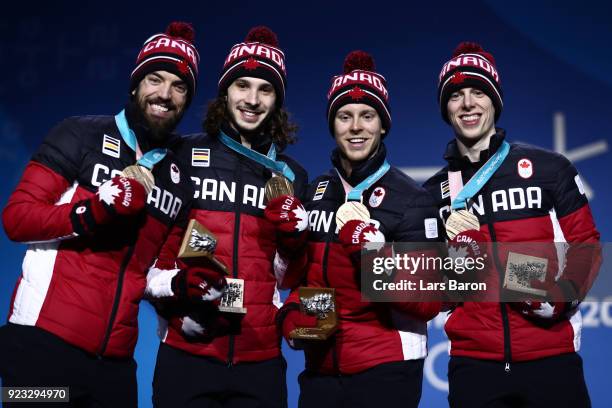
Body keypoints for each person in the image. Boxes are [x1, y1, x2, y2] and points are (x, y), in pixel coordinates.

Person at [0, 22, 200, 406]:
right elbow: (17, 218)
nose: (165, 94)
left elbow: (156, 269)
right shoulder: (79, 133)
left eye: (179, 87)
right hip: (41, 349)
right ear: (135, 84)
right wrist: (95, 209)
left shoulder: (178, 177)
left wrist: (181, 285)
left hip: (116, 366)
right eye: (155, 79)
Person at [424, 42, 601, 408]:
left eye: (478, 92)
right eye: (455, 95)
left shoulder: (550, 169)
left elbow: (587, 243)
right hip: (474, 365)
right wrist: (461, 261)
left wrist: (561, 290)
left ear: (494, 101)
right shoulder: (431, 195)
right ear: (446, 109)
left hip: (552, 358)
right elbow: (435, 295)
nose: (468, 103)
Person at [144, 26, 308, 408]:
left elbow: (286, 276)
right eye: (242, 86)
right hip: (188, 354)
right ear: (225, 92)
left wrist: (294, 240)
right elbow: (149, 261)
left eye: (265, 89)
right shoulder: (181, 155)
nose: (252, 100)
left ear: (277, 100)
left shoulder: (291, 175)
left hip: (261, 362)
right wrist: (173, 308)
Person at [277, 51, 442, 408]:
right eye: (344, 116)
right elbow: (311, 280)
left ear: (383, 125)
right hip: (321, 369)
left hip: (385, 371)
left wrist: (372, 257)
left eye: (367, 116)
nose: (355, 127)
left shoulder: (412, 198)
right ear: (332, 125)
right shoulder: (317, 191)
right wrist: (292, 311)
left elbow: (430, 299)